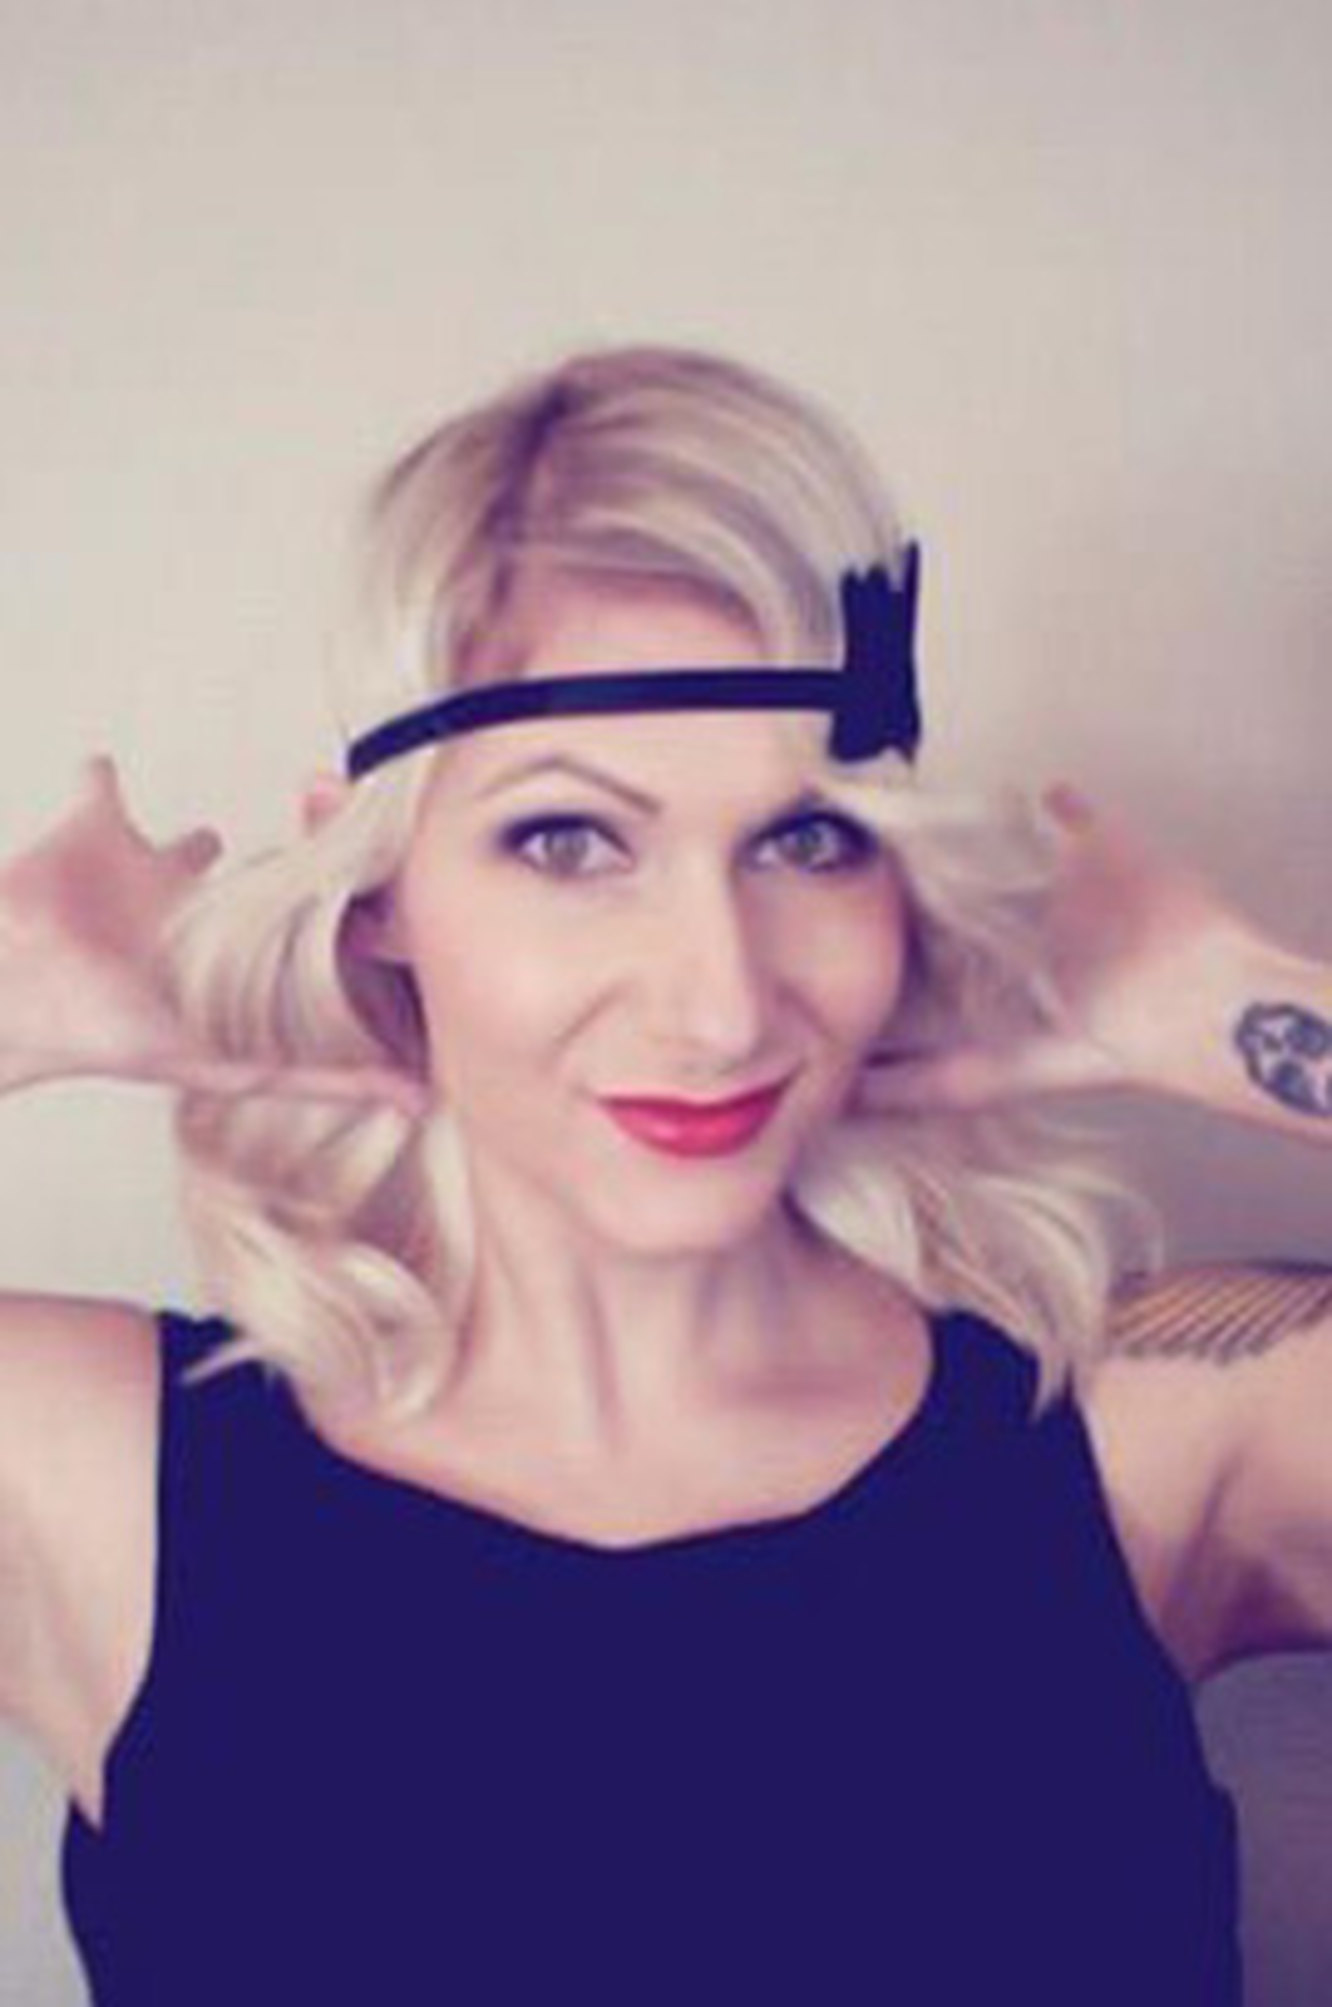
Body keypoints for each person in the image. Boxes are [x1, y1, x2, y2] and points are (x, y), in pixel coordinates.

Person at [1, 343, 1329, 2005]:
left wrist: (1238, 1012)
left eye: (806, 840)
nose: (721, 1002)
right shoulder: (96, 1482)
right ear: (379, 883)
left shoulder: (1156, 1430)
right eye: (569, 840)